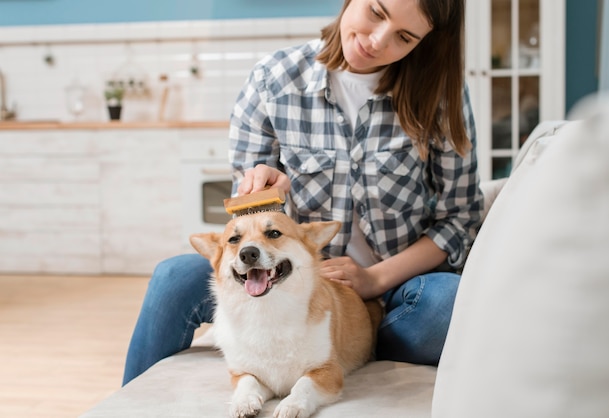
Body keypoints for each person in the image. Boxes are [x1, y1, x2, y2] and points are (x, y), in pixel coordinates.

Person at [123, 0, 483, 386]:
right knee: (172, 278)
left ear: (425, 42)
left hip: (396, 292)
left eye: (405, 36)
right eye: (376, 13)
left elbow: (459, 220)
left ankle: (352, 343)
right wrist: (263, 193)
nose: (377, 41)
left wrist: (375, 280)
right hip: (293, 283)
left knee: (446, 303)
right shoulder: (272, 80)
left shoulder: (441, 96)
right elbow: (247, 226)